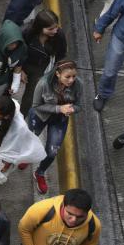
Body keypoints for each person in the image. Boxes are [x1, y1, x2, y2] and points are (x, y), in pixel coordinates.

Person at [27, 61, 82, 194]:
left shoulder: (78, 84)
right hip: (40, 116)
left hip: (60, 120)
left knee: (52, 151)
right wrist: (59, 108)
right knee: (29, 139)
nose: (71, 80)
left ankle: (40, 173)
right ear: (58, 73)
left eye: (74, 76)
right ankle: (26, 157)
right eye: (67, 77)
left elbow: (79, 105)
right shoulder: (43, 83)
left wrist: (72, 109)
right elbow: (36, 105)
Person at [19, 10, 68, 116]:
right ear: (39, 28)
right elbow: (16, 51)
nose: (55, 31)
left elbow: (61, 55)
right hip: (20, 64)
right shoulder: (26, 32)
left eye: (56, 27)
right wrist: (20, 70)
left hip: (39, 67)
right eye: (50, 29)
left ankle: (21, 116)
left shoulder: (59, 35)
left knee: (30, 95)